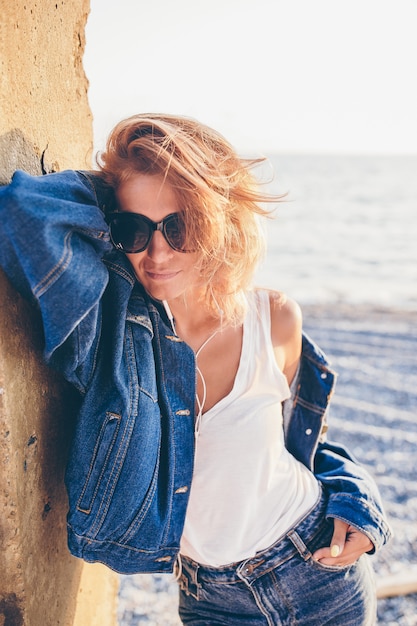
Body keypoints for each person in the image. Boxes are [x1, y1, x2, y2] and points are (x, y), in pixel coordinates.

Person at [0, 113, 391, 625]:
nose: (156, 253)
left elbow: (299, 447)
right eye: (133, 229)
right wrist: (116, 186)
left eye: (180, 226)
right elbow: (20, 214)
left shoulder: (273, 319)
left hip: (319, 574)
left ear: (215, 220)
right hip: (213, 603)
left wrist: (361, 505)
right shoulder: (111, 334)